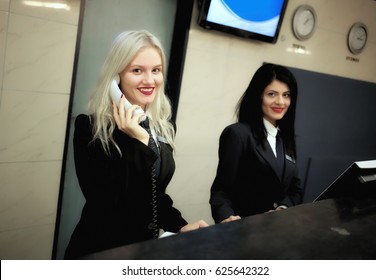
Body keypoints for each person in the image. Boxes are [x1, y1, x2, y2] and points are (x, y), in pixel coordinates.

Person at [65, 30, 208, 259]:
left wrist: (180, 226)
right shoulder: (90, 128)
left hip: (145, 251)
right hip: (102, 250)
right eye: (137, 70)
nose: (150, 80)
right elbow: (108, 204)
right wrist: (139, 142)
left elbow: (154, 193)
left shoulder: (161, 125)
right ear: (116, 76)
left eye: (156, 70)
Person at [209, 63, 303, 224]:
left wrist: (282, 209)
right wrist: (227, 219)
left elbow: (295, 190)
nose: (281, 102)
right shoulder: (237, 134)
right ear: (258, 95)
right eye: (272, 94)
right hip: (243, 230)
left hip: (276, 230)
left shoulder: (284, 138)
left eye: (286, 95)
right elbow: (221, 192)